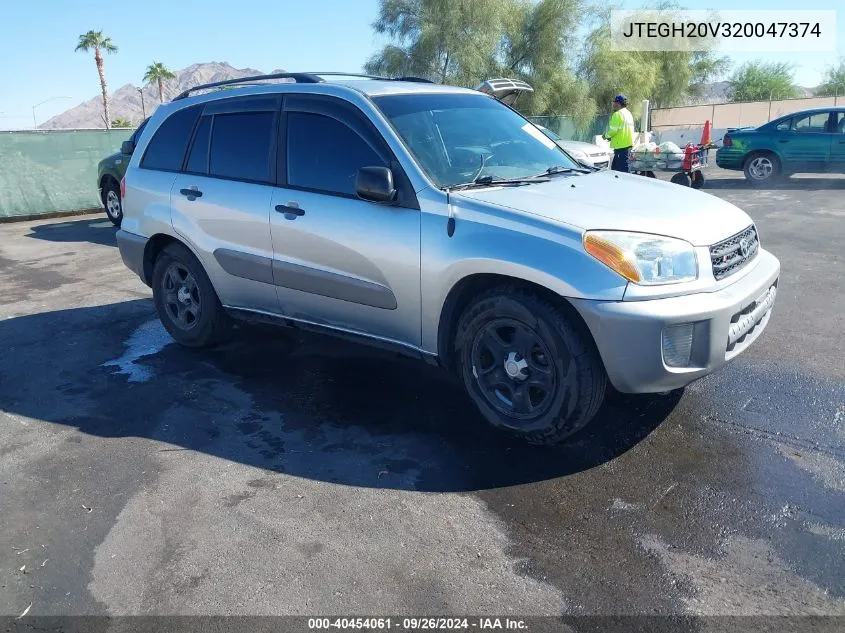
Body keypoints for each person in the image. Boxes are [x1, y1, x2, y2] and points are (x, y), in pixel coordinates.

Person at [604, 94, 635, 173]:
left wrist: (606, 136)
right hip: (627, 146)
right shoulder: (628, 114)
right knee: (624, 169)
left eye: (614, 102)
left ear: (618, 103)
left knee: (619, 172)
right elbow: (623, 129)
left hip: (620, 147)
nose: (613, 104)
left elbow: (613, 131)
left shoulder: (617, 114)